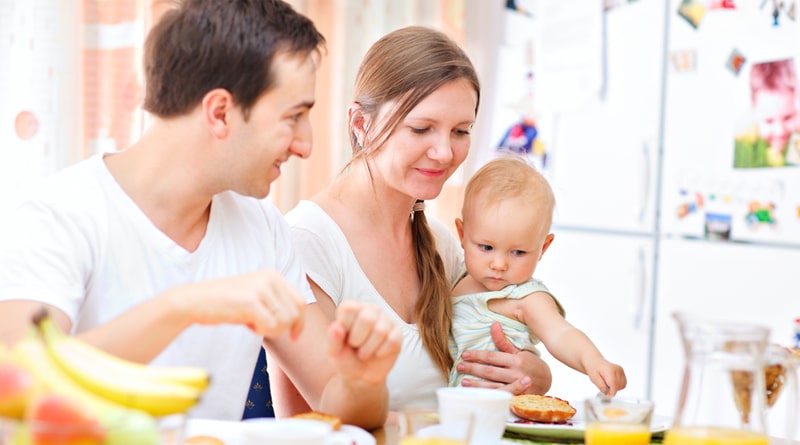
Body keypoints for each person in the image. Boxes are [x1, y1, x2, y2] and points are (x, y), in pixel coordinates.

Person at [0, 0, 401, 429]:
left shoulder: (263, 228)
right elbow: (17, 386)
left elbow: (335, 400)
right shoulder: (56, 217)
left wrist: (363, 380)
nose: (306, 144)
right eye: (294, 116)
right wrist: (186, 305)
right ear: (220, 112)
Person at [279, 26, 553, 416]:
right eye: (421, 128)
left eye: (461, 131)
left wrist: (533, 374)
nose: (444, 153)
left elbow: (510, 341)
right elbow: (307, 424)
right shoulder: (306, 242)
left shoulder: (446, 246)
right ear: (361, 123)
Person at [449, 156, 627, 396]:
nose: (499, 264)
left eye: (518, 252)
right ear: (462, 234)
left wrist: (592, 360)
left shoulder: (525, 296)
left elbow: (560, 333)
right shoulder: (457, 277)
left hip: (502, 411)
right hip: (453, 409)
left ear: (543, 248)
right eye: (486, 247)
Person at [734, 58, 800, 168]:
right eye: (769, 121)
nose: (779, 131)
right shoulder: (745, 142)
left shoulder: (797, 138)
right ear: (754, 111)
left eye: (788, 117)